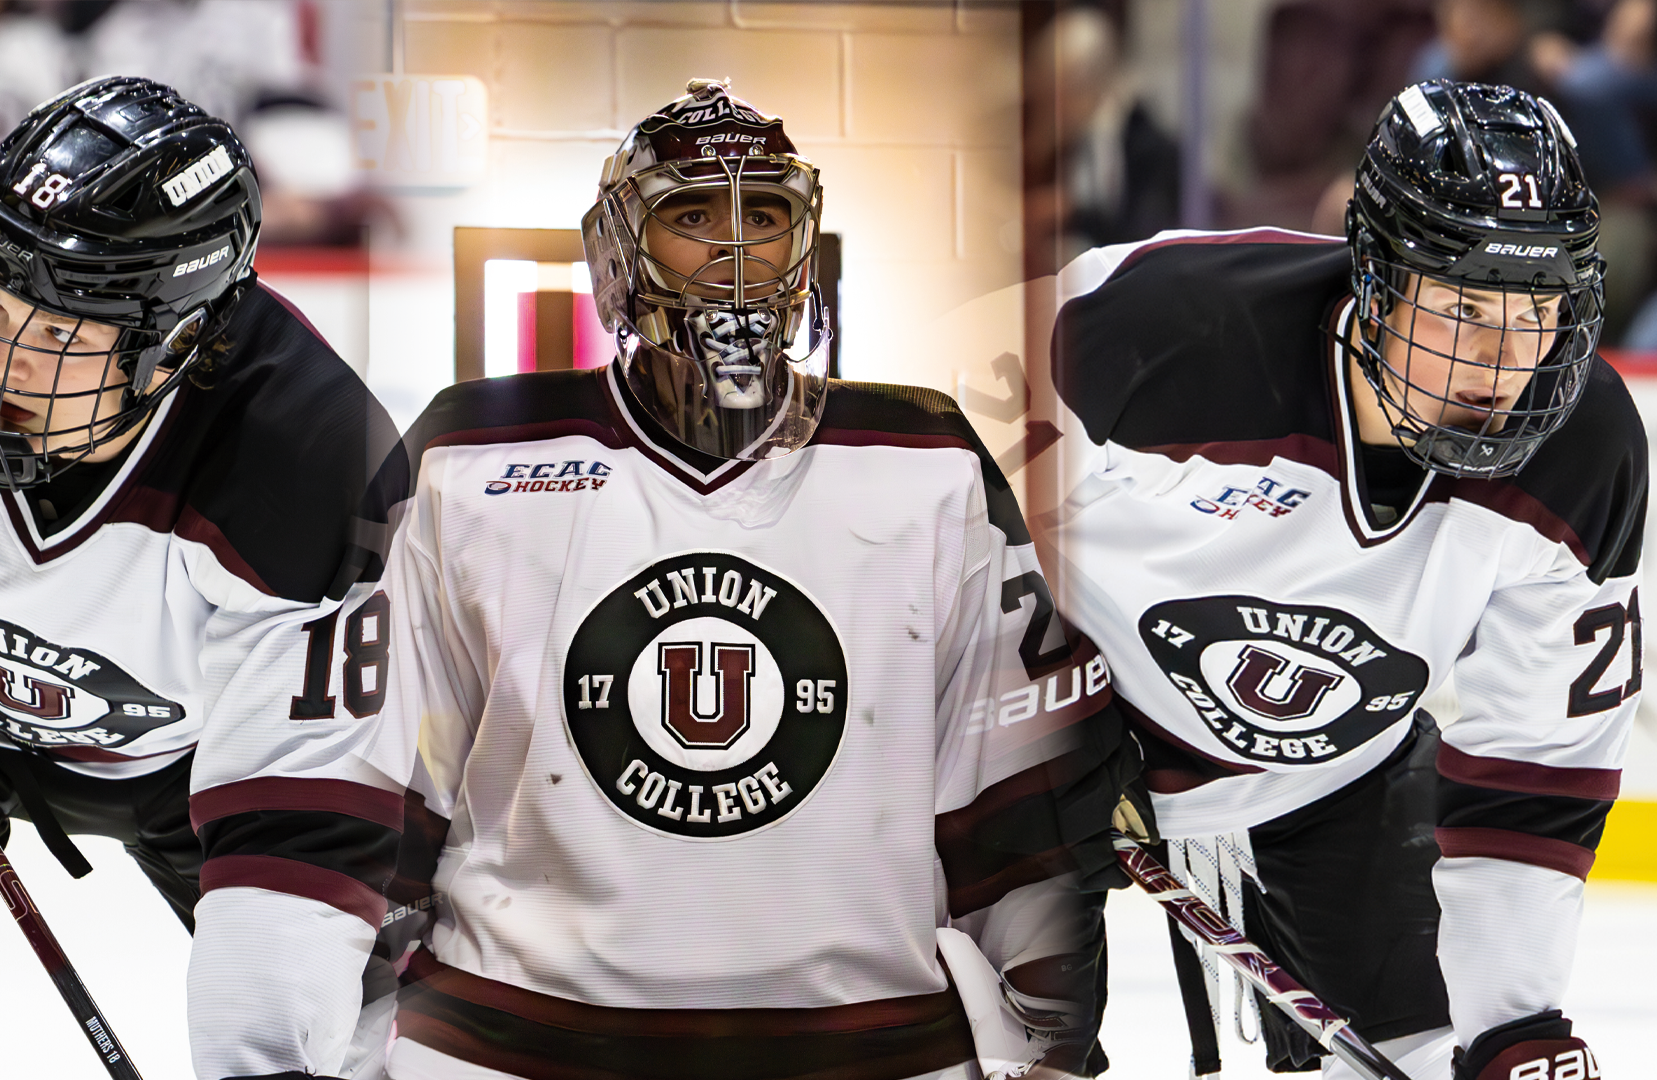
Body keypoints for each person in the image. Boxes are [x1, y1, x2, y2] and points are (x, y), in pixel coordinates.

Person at [358, 79, 1135, 1080]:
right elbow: (368, 764)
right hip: (512, 1038)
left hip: (864, 1043)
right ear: (616, 251)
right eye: (691, 216)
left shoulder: (926, 455)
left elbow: (1015, 785)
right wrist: (346, 997)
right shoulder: (469, 451)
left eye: (763, 216)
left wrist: (1052, 1028)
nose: (734, 250)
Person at [0, 77, 402, 1079]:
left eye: (57, 329)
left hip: (207, 758)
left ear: (174, 344)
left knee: (381, 1043)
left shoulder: (303, 468)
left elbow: (298, 827)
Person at [1025, 79, 1642, 1079]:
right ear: (1379, 277)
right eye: (1463, 305)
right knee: (987, 1045)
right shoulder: (1159, 325)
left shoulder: (1585, 451)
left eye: (1538, 309)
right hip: (1051, 753)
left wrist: (1514, 1029)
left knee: (1448, 1052)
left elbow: (1542, 769)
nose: (1502, 358)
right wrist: (1020, 710)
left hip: (1340, 780)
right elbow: (930, 493)